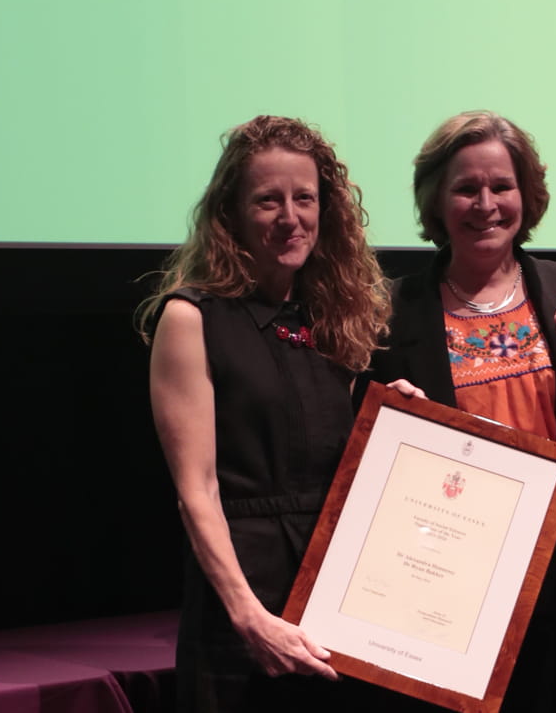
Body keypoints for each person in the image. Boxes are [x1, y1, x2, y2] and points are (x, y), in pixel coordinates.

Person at [362, 110, 556, 712]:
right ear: (436, 201)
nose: (485, 203)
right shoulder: (389, 312)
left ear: (526, 195)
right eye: (465, 188)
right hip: (449, 591)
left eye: (501, 186)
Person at [139, 115, 392, 711]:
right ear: (231, 214)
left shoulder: (333, 320)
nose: (290, 218)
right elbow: (196, 492)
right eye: (267, 201)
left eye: (304, 198)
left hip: (333, 599)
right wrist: (250, 619)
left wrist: (393, 417)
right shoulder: (190, 318)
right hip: (243, 607)